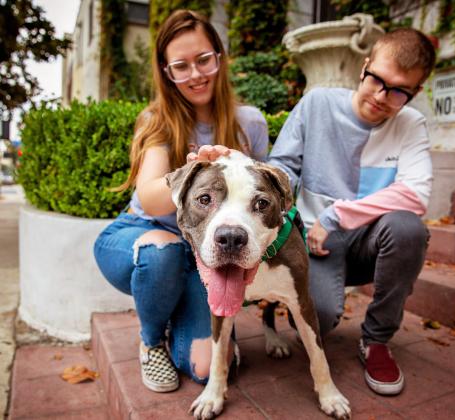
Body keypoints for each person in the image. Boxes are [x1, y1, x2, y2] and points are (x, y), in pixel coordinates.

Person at [93, 10, 268, 393]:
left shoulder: (249, 123)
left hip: (201, 254)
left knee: (208, 369)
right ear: (167, 72)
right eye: (181, 66)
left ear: (219, 58)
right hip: (143, 236)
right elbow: (152, 201)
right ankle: (152, 340)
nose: (196, 74)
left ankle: (176, 313)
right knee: (162, 254)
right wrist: (196, 169)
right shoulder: (158, 119)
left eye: (204, 59)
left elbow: (261, 201)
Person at [267, 28, 436, 396]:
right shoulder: (318, 103)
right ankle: (318, 305)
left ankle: (376, 340)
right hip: (314, 242)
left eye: (398, 91)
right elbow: (282, 167)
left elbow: (416, 194)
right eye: (377, 79)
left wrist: (336, 216)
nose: (381, 96)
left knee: (408, 228)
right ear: (365, 67)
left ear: (415, 92)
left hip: (368, 241)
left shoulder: (411, 125)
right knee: (317, 322)